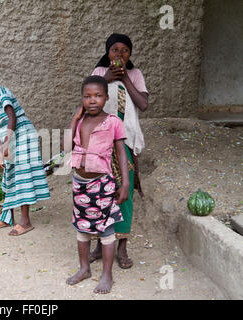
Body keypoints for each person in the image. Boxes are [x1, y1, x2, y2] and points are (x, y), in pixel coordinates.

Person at [89, 33, 148, 269]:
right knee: (100, 194)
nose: (120, 54)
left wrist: (125, 80)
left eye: (125, 50)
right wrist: (107, 78)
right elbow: (90, 103)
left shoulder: (135, 74)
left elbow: (143, 104)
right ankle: (98, 245)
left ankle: (122, 248)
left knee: (124, 196)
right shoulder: (98, 72)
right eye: (115, 50)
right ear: (107, 53)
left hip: (126, 144)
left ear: (130, 54)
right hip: (101, 144)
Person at [66, 75, 129, 294]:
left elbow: (121, 153)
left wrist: (126, 183)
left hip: (102, 183)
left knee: (106, 229)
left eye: (98, 96)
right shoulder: (81, 121)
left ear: (106, 98)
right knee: (81, 227)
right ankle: (84, 269)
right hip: (80, 183)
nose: (92, 100)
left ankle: (107, 274)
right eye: (87, 96)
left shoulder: (113, 122)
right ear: (81, 99)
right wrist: (74, 120)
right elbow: (67, 146)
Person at [0, 67, 50, 236]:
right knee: (9, 173)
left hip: (22, 134)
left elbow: (12, 117)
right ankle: (7, 216)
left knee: (22, 175)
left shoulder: (2, 91)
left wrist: (6, 143)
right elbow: (4, 122)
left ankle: (25, 221)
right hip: (12, 135)